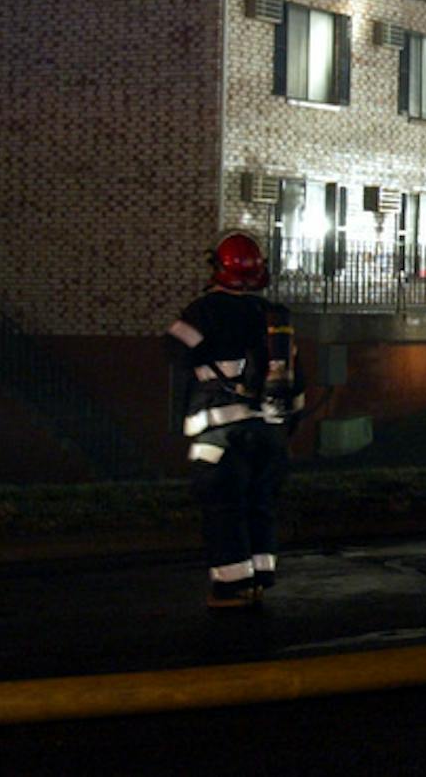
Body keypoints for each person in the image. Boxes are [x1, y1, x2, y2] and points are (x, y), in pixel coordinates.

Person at [164, 232, 302, 609]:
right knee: (260, 503)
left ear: (217, 268)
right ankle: (258, 577)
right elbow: (296, 388)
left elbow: (173, 348)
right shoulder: (275, 320)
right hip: (270, 435)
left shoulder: (203, 311)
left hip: (220, 435)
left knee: (224, 509)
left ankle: (230, 588)